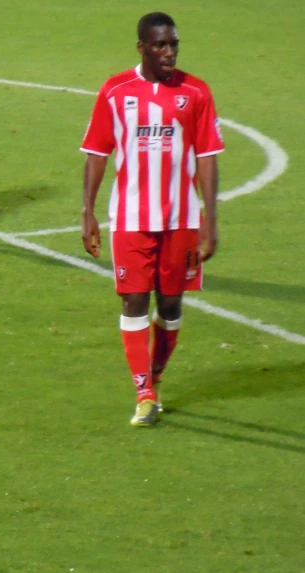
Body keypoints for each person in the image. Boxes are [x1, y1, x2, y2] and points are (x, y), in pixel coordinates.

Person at [80, 12, 224, 426]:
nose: (169, 52)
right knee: (135, 299)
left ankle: (155, 376)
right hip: (130, 217)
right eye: (160, 45)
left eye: (174, 44)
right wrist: (87, 211)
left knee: (172, 303)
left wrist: (210, 221)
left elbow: (208, 158)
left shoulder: (196, 91)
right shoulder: (115, 90)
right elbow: (97, 151)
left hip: (182, 218)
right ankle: (143, 392)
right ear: (141, 46)